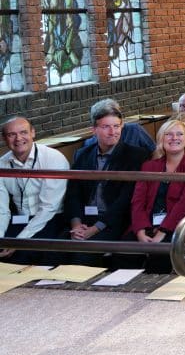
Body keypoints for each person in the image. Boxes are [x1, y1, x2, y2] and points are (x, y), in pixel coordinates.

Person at [66, 100, 149, 265]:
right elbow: (73, 194)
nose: (113, 132)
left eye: (116, 126)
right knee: (54, 249)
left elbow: (125, 201)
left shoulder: (136, 156)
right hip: (84, 219)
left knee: (83, 255)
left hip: (113, 220)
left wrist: (95, 229)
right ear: (94, 130)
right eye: (106, 127)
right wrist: (76, 224)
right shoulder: (82, 154)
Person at [128, 119, 185, 271]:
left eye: (180, 134)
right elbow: (137, 202)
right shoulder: (149, 166)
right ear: (161, 139)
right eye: (169, 134)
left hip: (180, 225)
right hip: (148, 224)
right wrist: (140, 230)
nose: (174, 138)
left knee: (160, 255)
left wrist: (163, 231)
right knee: (124, 252)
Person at [0, 117, 70, 263]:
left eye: (23, 132)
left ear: (33, 133)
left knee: (23, 254)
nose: (18, 138)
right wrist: (1, 237)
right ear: (4, 139)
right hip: (19, 219)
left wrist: (19, 241)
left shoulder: (53, 158)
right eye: (11, 134)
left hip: (51, 219)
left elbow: (48, 209)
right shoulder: (2, 164)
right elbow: (2, 210)